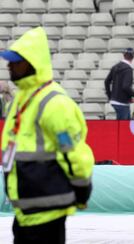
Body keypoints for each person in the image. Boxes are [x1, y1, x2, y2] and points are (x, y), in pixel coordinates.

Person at [0, 27, 94, 244]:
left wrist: (81, 189)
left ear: (32, 64)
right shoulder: (22, 98)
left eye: (16, 62)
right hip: (27, 209)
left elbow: (72, 152)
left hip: (47, 210)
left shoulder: (54, 103)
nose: (9, 66)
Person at [104, 48, 134, 120]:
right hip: (122, 103)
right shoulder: (128, 69)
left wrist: (110, 96)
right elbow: (126, 87)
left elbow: (106, 81)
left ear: (124, 55)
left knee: (124, 125)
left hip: (115, 101)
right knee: (123, 128)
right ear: (133, 57)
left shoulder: (115, 67)